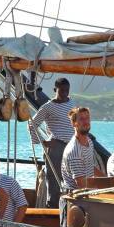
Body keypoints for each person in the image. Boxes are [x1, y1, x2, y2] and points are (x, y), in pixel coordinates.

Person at [28, 77, 75, 208]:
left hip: (71, 147)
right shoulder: (48, 107)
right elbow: (32, 124)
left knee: (70, 180)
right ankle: (52, 210)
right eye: (62, 91)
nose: (65, 93)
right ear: (55, 90)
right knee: (54, 183)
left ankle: (69, 209)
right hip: (56, 147)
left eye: (67, 90)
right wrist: (43, 142)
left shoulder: (71, 102)